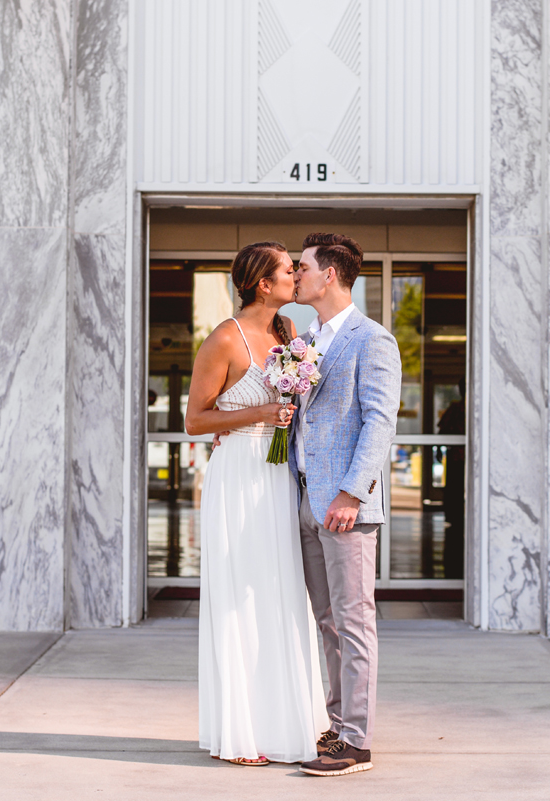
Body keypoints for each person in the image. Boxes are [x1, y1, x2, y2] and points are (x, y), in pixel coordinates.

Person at [185, 242, 327, 766]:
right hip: (239, 478)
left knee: (283, 595)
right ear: (262, 284)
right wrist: (260, 413)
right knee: (240, 600)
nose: (296, 275)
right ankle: (241, 732)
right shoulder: (226, 336)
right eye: (287, 270)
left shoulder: (288, 335)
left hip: (278, 477)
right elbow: (195, 421)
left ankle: (289, 723)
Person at [289, 233, 402, 777]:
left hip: (346, 506)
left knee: (355, 622)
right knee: (328, 621)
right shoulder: (306, 340)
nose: (295, 274)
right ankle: (337, 728)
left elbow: (380, 422)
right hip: (308, 498)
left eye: (302, 266)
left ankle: (357, 742)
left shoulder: (372, 339)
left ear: (329, 274)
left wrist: (353, 493)